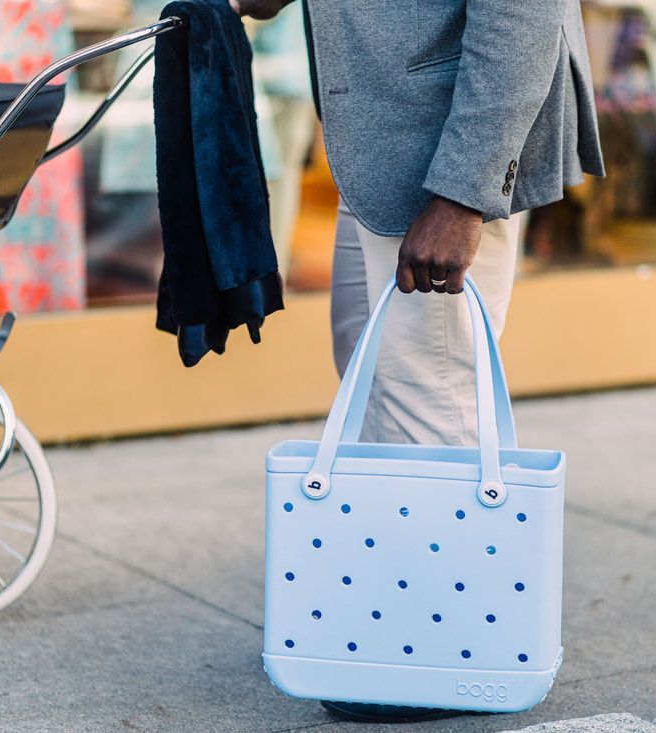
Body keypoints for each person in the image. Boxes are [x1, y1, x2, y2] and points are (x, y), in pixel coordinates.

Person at [231, 0, 605, 722]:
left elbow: (524, 13)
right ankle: (398, 622)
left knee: (430, 391)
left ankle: (438, 661)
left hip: (443, 153)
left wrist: (461, 197)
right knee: (376, 377)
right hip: (381, 142)